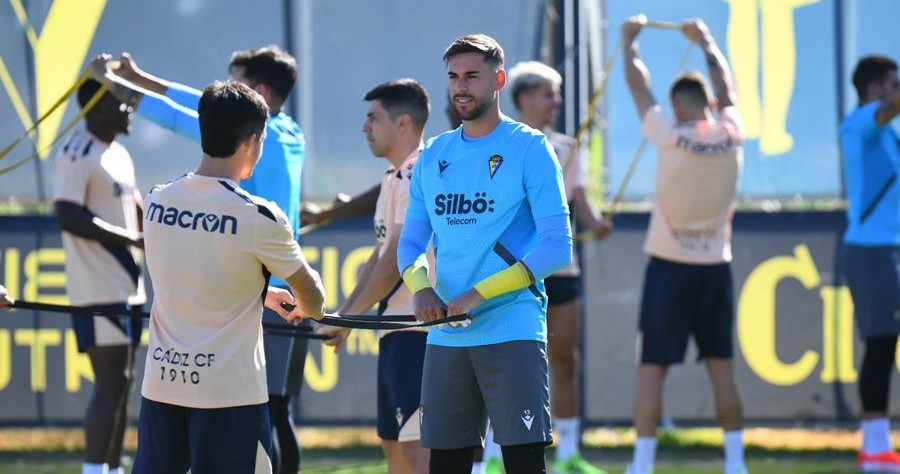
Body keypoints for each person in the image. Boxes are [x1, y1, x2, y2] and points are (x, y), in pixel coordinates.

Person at [92, 46, 309, 474]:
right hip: (267, 288)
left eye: (237, 84)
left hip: (262, 288)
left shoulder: (250, 139)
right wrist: (144, 77)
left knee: (265, 418)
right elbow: (202, 102)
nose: (225, 97)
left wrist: (116, 85)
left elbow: (189, 114)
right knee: (276, 411)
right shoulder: (290, 132)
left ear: (260, 93)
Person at [397, 33, 572, 474]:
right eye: (454, 77)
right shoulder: (434, 153)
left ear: (498, 79)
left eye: (472, 76)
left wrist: (479, 293)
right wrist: (420, 289)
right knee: (447, 465)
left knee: (523, 464)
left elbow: (557, 246)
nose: (461, 87)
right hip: (446, 336)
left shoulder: (531, 147)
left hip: (512, 327)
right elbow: (411, 244)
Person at [471, 60, 613, 474]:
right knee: (503, 363)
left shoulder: (568, 147)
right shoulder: (500, 144)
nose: (557, 102)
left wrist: (597, 224)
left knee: (564, 360)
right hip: (508, 272)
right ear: (525, 97)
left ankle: (569, 453)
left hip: (559, 273)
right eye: (550, 93)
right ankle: (495, 454)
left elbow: (579, 203)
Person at [621, 16, 747, 474]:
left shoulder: (668, 133)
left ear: (676, 108)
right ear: (710, 105)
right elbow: (729, 90)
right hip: (715, 267)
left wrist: (629, 42)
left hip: (669, 268)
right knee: (722, 370)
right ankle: (736, 465)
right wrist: (708, 42)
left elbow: (638, 87)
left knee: (652, 369)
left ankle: (641, 465)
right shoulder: (732, 132)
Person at [317, 78, 432, 474]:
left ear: (403, 123)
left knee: (418, 450)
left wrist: (346, 317)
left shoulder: (419, 173)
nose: (364, 127)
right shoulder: (393, 177)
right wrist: (344, 317)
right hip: (397, 333)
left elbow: (394, 261)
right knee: (395, 446)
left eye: (373, 118)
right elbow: (378, 257)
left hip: (421, 333)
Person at [51, 77, 145, 474]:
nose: (128, 109)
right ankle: (94, 470)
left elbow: (137, 209)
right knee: (111, 381)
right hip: (97, 287)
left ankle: (111, 468)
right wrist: (132, 239)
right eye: (118, 102)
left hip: (130, 288)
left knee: (122, 386)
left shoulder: (119, 153)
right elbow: (67, 213)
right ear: (96, 108)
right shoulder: (77, 151)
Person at [841, 55, 900, 472]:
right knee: (881, 344)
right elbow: (887, 111)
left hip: (891, 250)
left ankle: (878, 448)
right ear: (876, 88)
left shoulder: (888, 134)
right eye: (895, 82)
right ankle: (874, 448)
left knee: (886, 343)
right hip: (873, 252)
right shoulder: (860, 122)